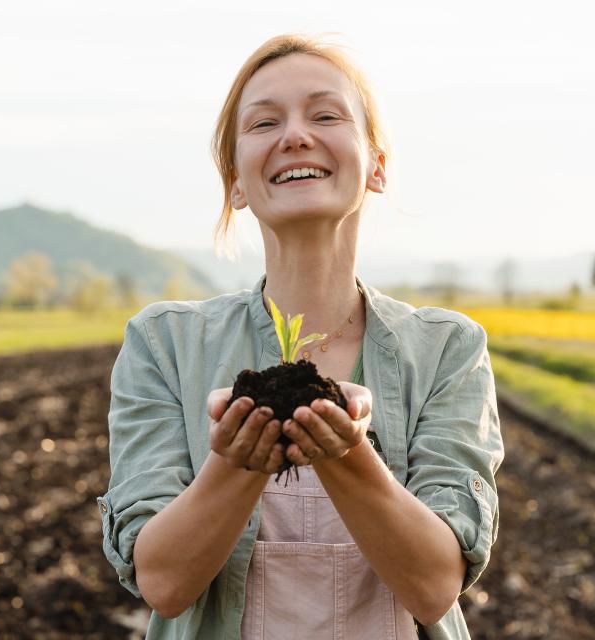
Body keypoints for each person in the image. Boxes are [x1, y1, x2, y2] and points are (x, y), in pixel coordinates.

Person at [98, 33, 503, 639]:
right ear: (236, 182)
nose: (295, 135)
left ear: (378, 167)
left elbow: (433, 585)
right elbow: (163, 583)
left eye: (326, 114)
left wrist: (348, 454)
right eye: (263, 123)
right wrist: (234, 464)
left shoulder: (446, 349)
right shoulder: (166, 344)